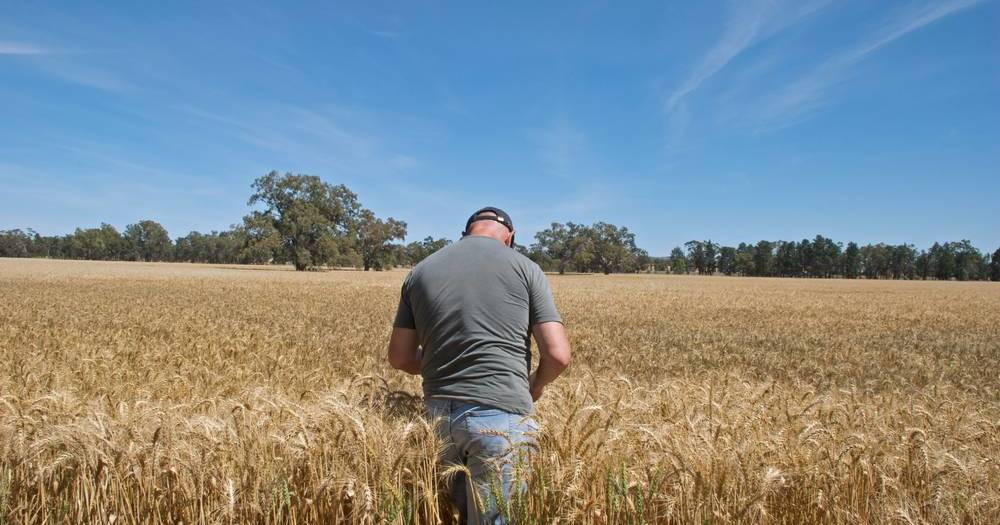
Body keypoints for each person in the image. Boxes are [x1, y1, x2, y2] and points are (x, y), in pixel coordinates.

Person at [387, 207, 571, 524]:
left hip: (438, 421)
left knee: (457, 516)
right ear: (510, 238)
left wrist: (443, 364)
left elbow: (400, 357)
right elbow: (558, 355)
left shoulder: (421, 271)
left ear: (466, 233)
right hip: (500, 418)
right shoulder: (526, 268)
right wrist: (535, 385)